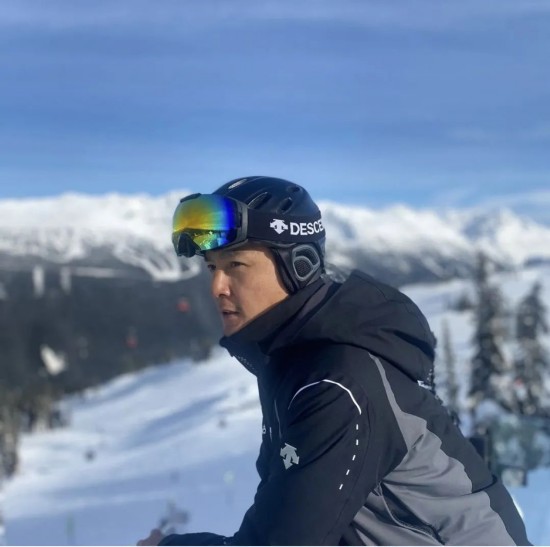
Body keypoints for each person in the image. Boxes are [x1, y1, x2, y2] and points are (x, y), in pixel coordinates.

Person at [137, 176, 530, 546]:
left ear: (298, 265)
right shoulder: (294, 361)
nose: (217, 287)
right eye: (212, 267)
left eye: (235, 265)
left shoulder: (338, 382)